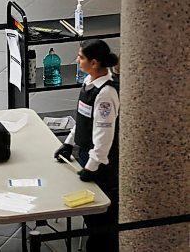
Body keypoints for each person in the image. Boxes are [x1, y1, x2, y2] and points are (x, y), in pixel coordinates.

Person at [54, 39, 120, 252]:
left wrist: (92, 167)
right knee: (91, 214)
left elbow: (104, 135)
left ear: (94, 62)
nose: (77, 60)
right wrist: (68, 143)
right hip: (84, 154)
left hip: (100, 164)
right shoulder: (89, 82)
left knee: (102, 219)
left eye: (81, 57)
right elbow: (82, 118)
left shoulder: (106, 94)